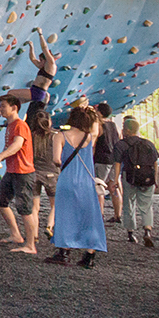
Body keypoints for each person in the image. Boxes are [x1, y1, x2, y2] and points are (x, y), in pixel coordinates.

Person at [46, 104, 108, 267]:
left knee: (65, 214)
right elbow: (96, 129)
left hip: (67, 179)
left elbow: (56, 160)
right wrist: (92, 112)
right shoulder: (90, 136)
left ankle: (63, 252)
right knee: (89, 216)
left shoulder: (60, 136)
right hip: (86, 181)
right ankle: (89, 256)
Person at [0, 94, 37, 254]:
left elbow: (17, 145)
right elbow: (11, 147)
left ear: (14, 107)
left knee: (25, 209)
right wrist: (0, 158)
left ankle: (30, 245)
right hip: (13, 171)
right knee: (0, 201)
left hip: (23, 173)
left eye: (3, 106)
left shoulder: (20, 125)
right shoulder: (10, 125)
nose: (0, 109)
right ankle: (16, 234)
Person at [116, 117, 158, 247]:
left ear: (127, 130)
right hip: (147, 178)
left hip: (129, 176)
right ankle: (147, 230)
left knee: (129, 204)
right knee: (146, 205)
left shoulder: (121, 144)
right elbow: (155, 162)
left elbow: (117, 164)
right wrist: (155, 179)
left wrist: (115, 179)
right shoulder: (148, 143)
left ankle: (130, 233)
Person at [26, 102, 60, 241]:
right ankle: (49, 226)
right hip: (52, 173)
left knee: (34, 207)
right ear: (49, 121)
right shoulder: (55, 136)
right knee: (55, 205)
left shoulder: (31, 136)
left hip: (34, 173)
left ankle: (34, 236)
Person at [5, 29, 58, 106]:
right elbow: (33, 59)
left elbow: (45, 48)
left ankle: (2, 109)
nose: (40, 62)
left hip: (37, 92)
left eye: (41, 60)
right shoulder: (43, 66)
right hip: (35, 91)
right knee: (18, 102)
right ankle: (4, 112)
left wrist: (40, 34)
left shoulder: (51, 64)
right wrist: (31, 47)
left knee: (10, 93)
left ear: (46, 59)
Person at [95, 102, 123, 222]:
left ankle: (100, 214)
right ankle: (118, 214)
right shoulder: (113, 125)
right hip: (114, 159)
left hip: (102, 159)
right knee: (113, 187)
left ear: (100, 113)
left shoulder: (98, 125)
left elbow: (94, 143)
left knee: (99, 187)